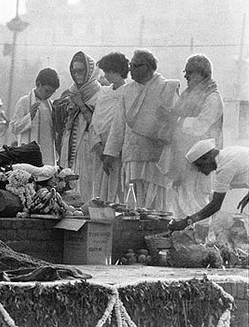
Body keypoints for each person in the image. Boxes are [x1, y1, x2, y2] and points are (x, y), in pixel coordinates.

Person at [102, 49, 180, 210]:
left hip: (156, 157)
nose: (131, 69)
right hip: (132, 154)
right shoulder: (128, 90)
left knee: (156, 200)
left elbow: (174, 122)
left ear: (150, 67)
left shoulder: (167, 88)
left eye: (136, 66)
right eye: (131, 65)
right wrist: (110, 153)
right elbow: (118, 124)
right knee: (133, 200)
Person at [158, 54, 223, 237]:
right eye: (185, 72)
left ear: (203, 74)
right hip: (180, 156)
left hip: (201, 162)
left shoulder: (212, 98)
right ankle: (180, 241)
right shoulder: (188, 95)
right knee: (178, 198)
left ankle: (199, 243)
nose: (186, 77)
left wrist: (176, 119)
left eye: (190, 73)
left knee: (196, 199)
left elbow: (201, 126)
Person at [168, 138, 249, 232]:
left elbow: (215, 205)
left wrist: (187, 221)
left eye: (199, 165)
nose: (199, 170)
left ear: (208, 157)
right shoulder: (228, 153)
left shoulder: (224, 168)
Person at [53, 51, 102, 201]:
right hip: (68, 145)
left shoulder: (99, 93)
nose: (77, 74)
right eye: (74, 71)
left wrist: (81, 105)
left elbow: (98, 124)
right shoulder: (70, 92)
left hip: (87, 147)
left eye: (81, 70)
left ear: (89, 72)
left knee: (85, 184)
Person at [90, 52, 129, 202]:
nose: (107, 75)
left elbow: (123, 124)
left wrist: (112, 152)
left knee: (117, 190)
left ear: (118, 71)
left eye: (110, 71)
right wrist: (98, 146)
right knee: (99, 191)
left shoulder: (128, 92)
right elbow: (95, 121)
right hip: (100, 149)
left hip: (118, 152)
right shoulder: (104, 92)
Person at [11, 68, 60, 166]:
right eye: (47, 91)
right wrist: (30, 116)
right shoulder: (24, 101)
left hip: (47, 156)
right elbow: (14, 128)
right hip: (28, 154)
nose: (49, 95)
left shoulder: (51, 105)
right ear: (38, 83)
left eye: (52, 92)